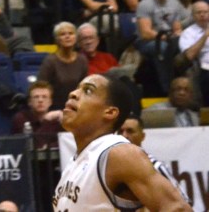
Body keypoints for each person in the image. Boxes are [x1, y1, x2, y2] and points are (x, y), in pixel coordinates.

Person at [55, 74, 191, 211]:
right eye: (77, 89)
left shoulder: (119, 154)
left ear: (110, 112)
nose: (73, 94)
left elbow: (177, 208)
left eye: (88, 90)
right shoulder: (73, 164)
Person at [119, 116, 193, 207]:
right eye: (120, 132)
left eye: (130, 131)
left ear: (142, 136)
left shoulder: (155, 166)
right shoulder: (109, 166)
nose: (124, 136)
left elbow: (183, 201)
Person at [39, 22, 89, 110]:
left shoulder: (82, 60)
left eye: (71, 33)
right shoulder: (50, 61)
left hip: (76, 108)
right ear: (56, 39)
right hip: (54, 110)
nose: (67, 36)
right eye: (62, 34)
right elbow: (42, 88)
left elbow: (84, 88)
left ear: (76, 38)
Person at [11, 80, 62, 148]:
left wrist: (48, 146)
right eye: (36, 97)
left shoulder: (56, 120)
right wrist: (47, 120)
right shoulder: (20, 119)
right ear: (29, 102)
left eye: (44, 97)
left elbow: (65, 144)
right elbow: (33, 147)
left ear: (50, 102)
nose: (40, 100)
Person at [178, 0, 209, 104]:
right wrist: (205, 35)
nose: (202, 15)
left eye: (205, 12)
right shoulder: (188, 33)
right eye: (199, 12)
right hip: (204, 68)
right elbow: (189, 56)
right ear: (193, 15)